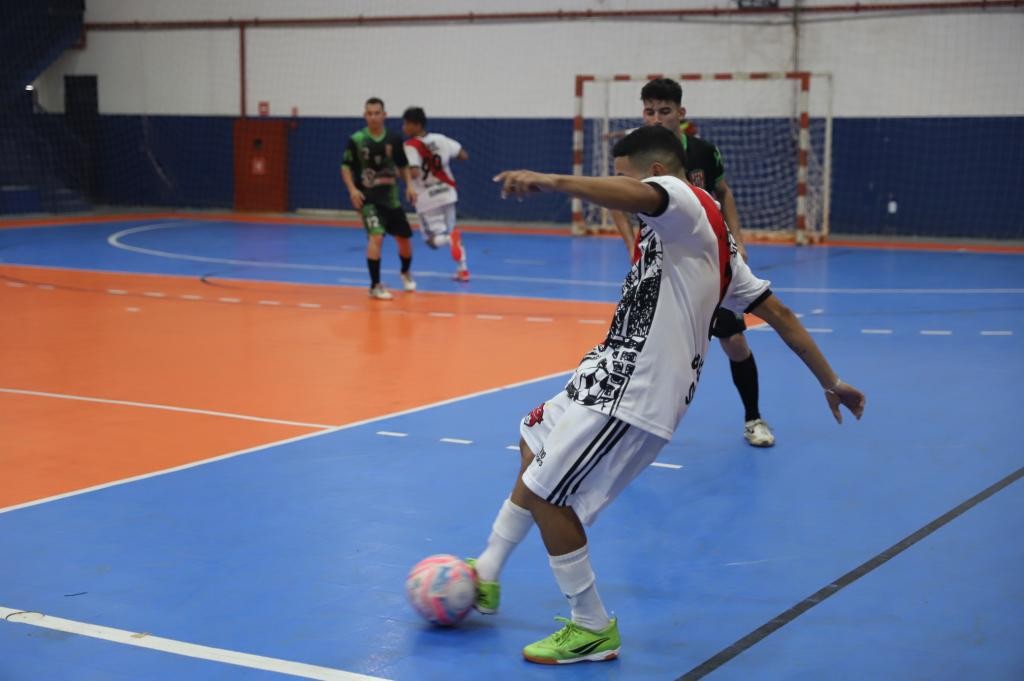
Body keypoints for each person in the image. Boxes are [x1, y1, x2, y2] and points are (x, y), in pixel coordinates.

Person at [471, 125, 865, 665]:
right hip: (608, 368)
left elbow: (641, 195)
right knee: (532, 439)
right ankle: (487, 569)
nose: (622, 188)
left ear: (654, 173)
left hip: (638, 387)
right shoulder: (715, 244)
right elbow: (781, 313)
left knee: (548, 495)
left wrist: (550, 180)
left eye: (625, 177)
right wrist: (831, 380)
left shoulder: (683, 199)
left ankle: (591, 627)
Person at [611, 77, 774, 448]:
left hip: (704, 260)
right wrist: (630, 245)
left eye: (664, 111)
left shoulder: (703, 152)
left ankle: (754, 418)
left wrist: (738, 240)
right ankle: (628, 423)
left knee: (734, 341)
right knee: (643, 343)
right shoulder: (635, 152)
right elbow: (616, 200)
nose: (656, 118)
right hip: (658, 264)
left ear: (681, 113)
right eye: (649, 111)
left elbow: (724, 193)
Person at [341, 97, 418, 300]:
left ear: (384, 115)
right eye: (370, 113)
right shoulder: (357, 139)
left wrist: (410, 185)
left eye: (377, 113)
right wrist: (352, 190)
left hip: (391, 199)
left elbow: (403, 165)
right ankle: (375, 286)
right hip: (368, 199)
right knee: (376, 237)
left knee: (404, 241)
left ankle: (405, 272)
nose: (373, 117)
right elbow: (346, 166)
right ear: (364, 115)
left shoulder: (394, 139)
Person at [401, 107, 471, 282]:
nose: (404, 127)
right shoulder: (441, 138)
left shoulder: (410, 146)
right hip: (448, 191)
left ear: (417, 125)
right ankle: (463, 270)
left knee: (431, 240)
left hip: (427, 197)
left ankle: (448, 240)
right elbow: (463, 155)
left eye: (407, 124)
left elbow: (414, 172)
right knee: (452, 230)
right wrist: (440, 156)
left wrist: (397, 172)